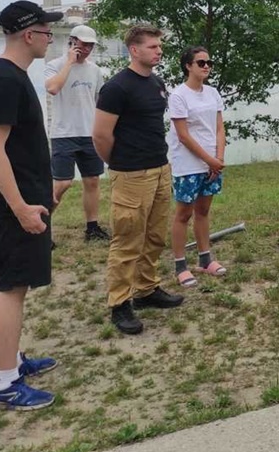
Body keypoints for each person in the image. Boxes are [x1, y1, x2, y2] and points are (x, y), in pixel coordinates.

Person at [0, 0, 63, 410]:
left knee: (10, 281)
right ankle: (5, 384)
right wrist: (21, 207)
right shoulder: (4, 79)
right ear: (29, 35)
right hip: (14, 204)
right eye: (47, 32)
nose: (50, 38)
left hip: (24, 197)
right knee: (11, 286)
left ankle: (10, 360)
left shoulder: (9, 75)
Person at [94, 25, 183, 336]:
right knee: (128, 239)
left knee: (155, 235)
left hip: (160, 167)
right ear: (134, 50)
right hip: (131, 173)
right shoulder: (117, 88)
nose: (159, 51)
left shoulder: (156, 82)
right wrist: (119, 164)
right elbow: (101, 135)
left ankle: (146, 289)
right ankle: (120, 303)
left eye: (159, 46)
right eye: (153, 47)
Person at [168, 46, 227, 288]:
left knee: (203, 211)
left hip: (212, 163)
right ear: (188, 66)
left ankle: (205, 259)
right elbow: (183, 135)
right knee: (183, 214)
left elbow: (219, 128)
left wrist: (218, 158)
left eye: (209, 63)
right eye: (201, 63)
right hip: (188, 164)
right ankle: (180, 266)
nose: (206, 67)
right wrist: (208, 160)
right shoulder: (178, 96)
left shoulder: (213, 93)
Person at [44, 24, 108, 242]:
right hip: (63, 133)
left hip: (89, 132)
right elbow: (53, 88)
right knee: (62, 183)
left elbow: (100, 101)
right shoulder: (55, 65)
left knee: (92, 180)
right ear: (72, 42)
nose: (87, 49)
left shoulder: (95, 70)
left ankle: (92, 227)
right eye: (83, 44)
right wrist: (70, 63)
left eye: (91, 45)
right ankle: (41, 227)